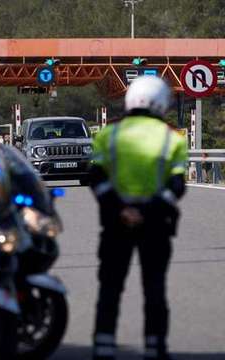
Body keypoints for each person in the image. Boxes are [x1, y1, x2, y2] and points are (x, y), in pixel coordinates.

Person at [89, 76, 187, 360]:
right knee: (154, 287)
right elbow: (176, 187)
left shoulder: (108, 135)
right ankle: (155, 347)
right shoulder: (172, 138)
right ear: (162, 104)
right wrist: (146, 212)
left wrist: (122, 210)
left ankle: (103, 347)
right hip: (155, 223)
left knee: (110, 286)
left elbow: (96, 178)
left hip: (115, 221)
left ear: (130, 99)